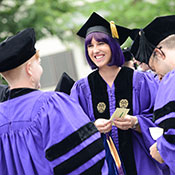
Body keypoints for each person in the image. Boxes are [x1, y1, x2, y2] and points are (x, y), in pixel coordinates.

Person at [0, 28, 109, 175]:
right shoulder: (50, 105)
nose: (41, 68)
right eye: (38, 63)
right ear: (29, 69)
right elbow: (85, 164)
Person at [70, 12, 164, 175]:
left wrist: (136, 122)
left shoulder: (141, 81)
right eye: (90, 46)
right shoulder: (81, 89)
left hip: (141, 164)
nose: (95, 50)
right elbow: (72, 129)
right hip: (103, 167)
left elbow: (162, 119)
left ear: (113, 45)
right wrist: (93, 128)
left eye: (101, 44)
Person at [131, 15, 175, 175]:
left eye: (154, 69)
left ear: (159, 53)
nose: (158, 77)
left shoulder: (172, 80)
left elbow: (172, 137)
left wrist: (161, 149)